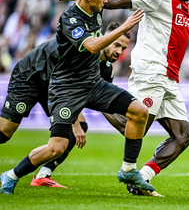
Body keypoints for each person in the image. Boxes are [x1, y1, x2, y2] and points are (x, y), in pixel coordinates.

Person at [53, 0, 189, 196]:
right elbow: (117, 1)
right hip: (151, 70)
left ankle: (142, 177)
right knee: (135, 124)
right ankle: (91, 96)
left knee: (182, 136)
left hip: (169, 77)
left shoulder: (186, 4)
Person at [0, 0, 154, 195]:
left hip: (90, 82)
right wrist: (124, 26)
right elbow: (91, 46)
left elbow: (92, 1)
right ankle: (11, 175)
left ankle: (129, 169)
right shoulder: (70, 19)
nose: (106, 1)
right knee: (35, 140)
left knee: (140, 111)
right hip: (48, 80)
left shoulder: (93, 7)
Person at [0, 22, 129, 188]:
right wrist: (74, 125)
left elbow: (103, 103)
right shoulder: (83, 52)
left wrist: (128, 127)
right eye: (116, 44)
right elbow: (67, 92)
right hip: (30, 76)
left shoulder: (105, 69)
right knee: (4, 133)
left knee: (78, 126)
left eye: (123, 48)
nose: (119, 52)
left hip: (54, 86)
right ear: (105, 38)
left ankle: (43, 175)